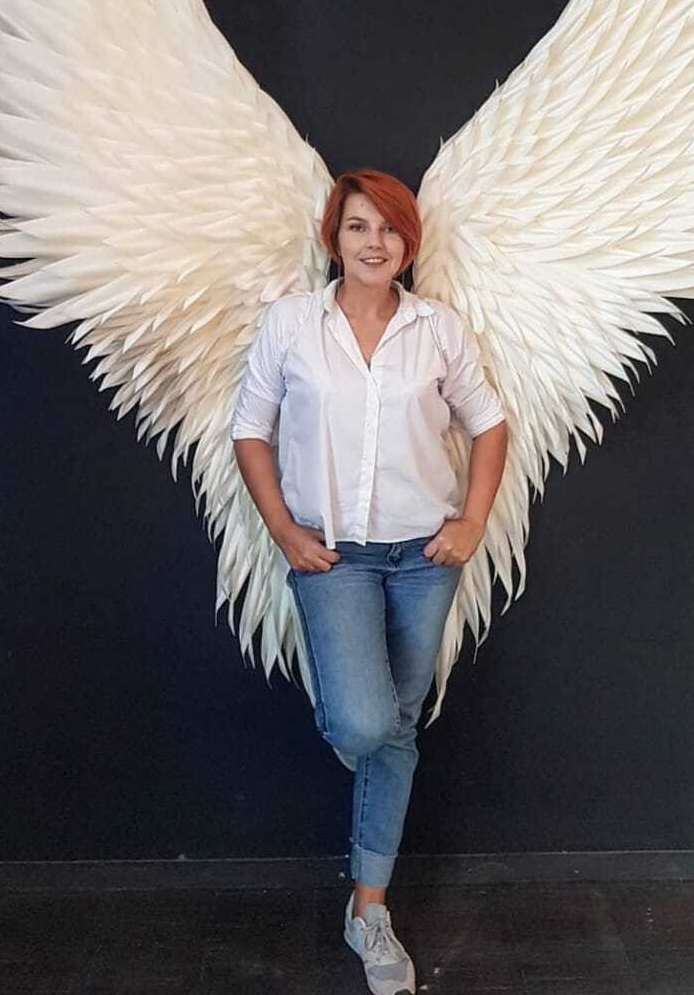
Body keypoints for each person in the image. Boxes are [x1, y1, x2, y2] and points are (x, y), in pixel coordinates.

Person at [230, 168, 508, 995]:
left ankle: (369, 911)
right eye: (358, 226)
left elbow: (489, 423)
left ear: (408, 244)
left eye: (388, 229)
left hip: (424, 557)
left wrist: (471, 522)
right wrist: (283, 530)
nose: (373, 242)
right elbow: (249, 429)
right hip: (332, 556)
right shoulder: (290, 324)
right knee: (365, 724)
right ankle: (367, 863)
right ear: (334, 238)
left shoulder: (437, 329)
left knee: (396, 731)